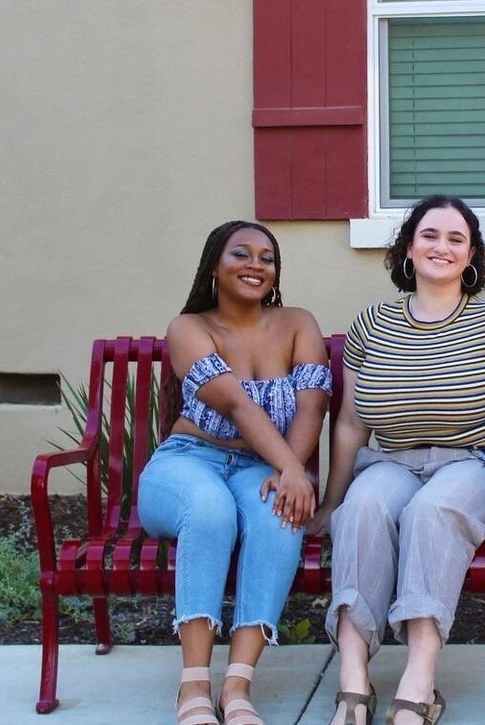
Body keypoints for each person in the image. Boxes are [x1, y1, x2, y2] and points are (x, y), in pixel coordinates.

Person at [307, 195, 485, 725]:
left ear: (472, 255)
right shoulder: (371, 325)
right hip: (393, 463)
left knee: (431, 511)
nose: (442, 247)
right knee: (361, 510)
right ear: (408, 248)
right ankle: (353, 681)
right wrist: (331, 502)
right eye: (430, 235)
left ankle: (418, 681)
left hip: (482, 465)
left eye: (457, 238)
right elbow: (350, 424)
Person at [138, 220, 331, 725]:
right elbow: (237, 405)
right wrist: (294, 468)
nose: (255, 265)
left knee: (280, 516)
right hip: (188, 461)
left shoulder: (298, 323)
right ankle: (193, 686)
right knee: (210, 509)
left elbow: (312, 406)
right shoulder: (189, 328)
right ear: (214, 266)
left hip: (259, 468)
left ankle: (238, 686)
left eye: (267, 258)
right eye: (240, 254)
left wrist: (287, 474)